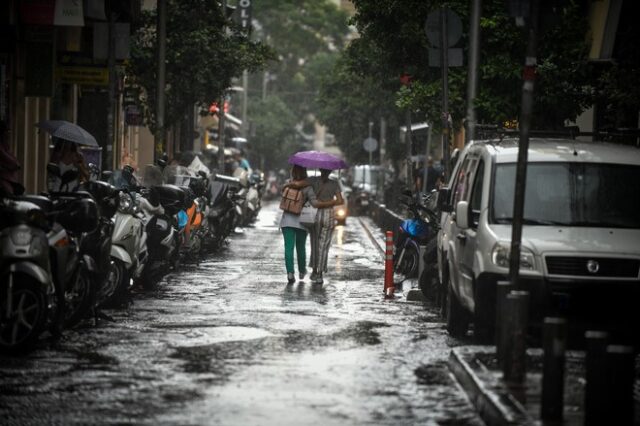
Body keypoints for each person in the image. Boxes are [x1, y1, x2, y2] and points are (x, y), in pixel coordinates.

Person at [280, 165, 335, 285]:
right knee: (301, 247)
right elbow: (314, 203)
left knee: (288, 248)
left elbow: (282, 196)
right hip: (302, 221)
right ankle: (301, 271)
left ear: (292, 172)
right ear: (304, 173)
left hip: (286, 221)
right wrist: (328, 202)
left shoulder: (287, 184)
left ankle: (290, 273)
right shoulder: (308, 187)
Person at [308, 169, 344, 285]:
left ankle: (314, 271)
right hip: (328, 215)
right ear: (329, 172)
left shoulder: (313, 181)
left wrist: (320, 203)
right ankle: (320, 274)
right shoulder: (334, 184)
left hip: (314, 214)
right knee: (324, 246)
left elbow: (309, 198)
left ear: (320, 170)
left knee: (314, 243)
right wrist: (329, 202)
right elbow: (340, 201)